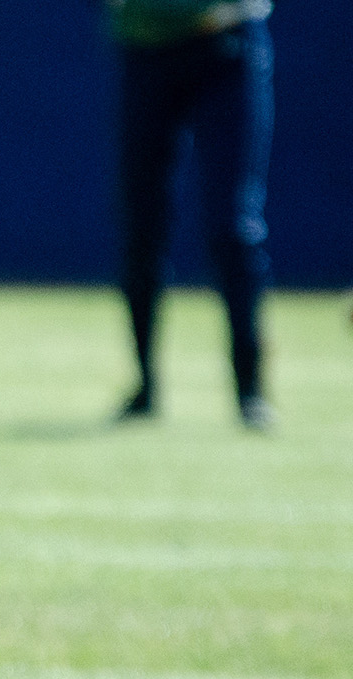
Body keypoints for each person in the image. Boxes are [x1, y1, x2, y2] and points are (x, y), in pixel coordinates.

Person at [108, 0, 275, 429]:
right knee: (142, 224)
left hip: (226, 46)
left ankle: (251, 391)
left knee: (231, 226)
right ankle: (144, 386)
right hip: (147, 50)